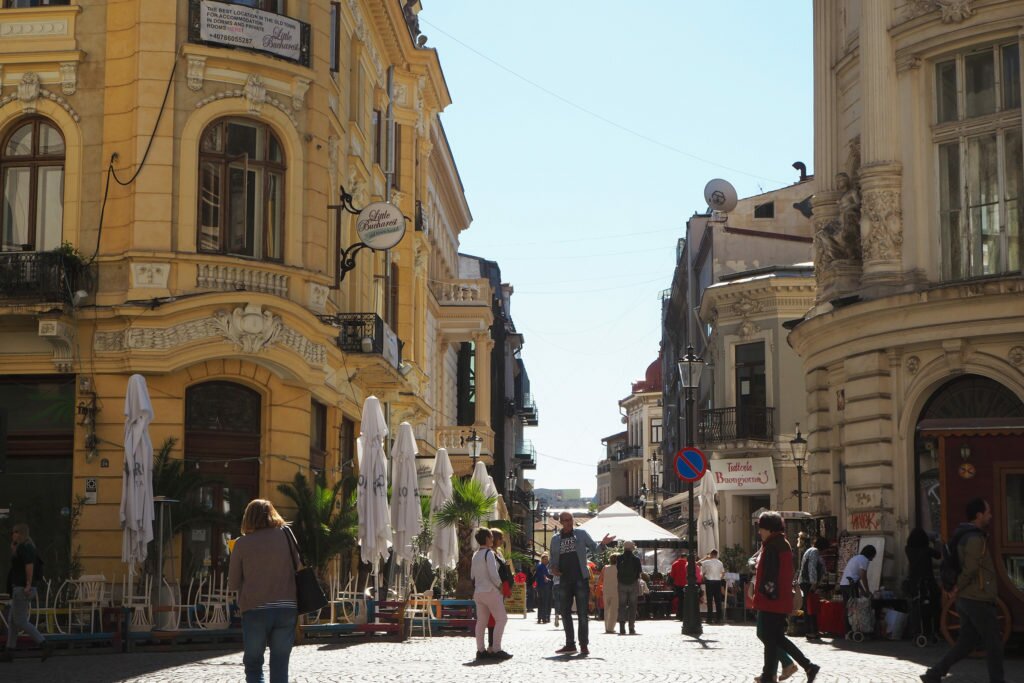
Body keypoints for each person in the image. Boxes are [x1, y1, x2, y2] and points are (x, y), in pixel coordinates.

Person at [921, 498, 1004, 683]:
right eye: (988, 512)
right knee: (994, 643)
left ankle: (934, 673)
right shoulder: (975, 538)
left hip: (967, 599)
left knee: (966, 643)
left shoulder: (963, 534)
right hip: (977, 597)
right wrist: (958, 586)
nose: (990, 516)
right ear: (979, 515)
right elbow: (971, 568)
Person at [227, 499, 300, 683]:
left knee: (253, 663)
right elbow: (299, 565)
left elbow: (233, 584)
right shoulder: (286, 536)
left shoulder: (242, 544)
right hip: (287, 607)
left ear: (248, 518)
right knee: (280, 664)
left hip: (255, 609)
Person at [753, 511, 820, 683]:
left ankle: (805, 666)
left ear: (768, 528)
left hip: (772, 600)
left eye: (761, 528)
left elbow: (771, 575)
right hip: (779, 600)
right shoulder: (781, 543)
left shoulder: (772, 546)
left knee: (772, 638)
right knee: (773, 638)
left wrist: (765, 594)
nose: (759, 531)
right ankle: (775, 673)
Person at [549, 511, 615, 656]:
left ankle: (583, 644)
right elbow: (552, 560)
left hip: (580, 579)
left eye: (570, 519)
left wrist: (603, 544)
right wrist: (552, 569)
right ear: (561, 522)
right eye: (565, 520)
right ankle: (570, 644)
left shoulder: (581, 533)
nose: (568, 522)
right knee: (565, 613)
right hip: (563, 580)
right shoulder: (555, 539)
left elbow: (595, 549)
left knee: (582, 614)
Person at [2, 523, 53, 663]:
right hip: (19, 588)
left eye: (15, 532)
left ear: (21, 533)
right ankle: (9, 651)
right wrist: (13, 549)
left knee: (20, 620)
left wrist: (28, 585)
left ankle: (44, 644)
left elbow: (29, 566)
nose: (13, 534)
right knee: (12, 621)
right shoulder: (23, 547)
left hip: (22, 588)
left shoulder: (26, 547)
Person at [470, 527, 512, 661]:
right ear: (487, 538)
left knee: (481, 622)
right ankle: (496, 648)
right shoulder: (489, 553)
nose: (493, 539)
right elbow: (493, 573)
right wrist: (500, 586)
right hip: (490, 591)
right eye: (491, 537)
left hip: (478, 592)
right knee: (502, 619)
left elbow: (472, 575)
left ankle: (480, 650)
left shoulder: (475, 554)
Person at [904, 528, 940, 643]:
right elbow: (938, 555)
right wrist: (936, 542)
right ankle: (932, 631)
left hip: (914, 582)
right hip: (928, 582)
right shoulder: (927, 550)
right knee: (933, 606)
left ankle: (917, 632)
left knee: (916, 608)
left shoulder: (908, 549)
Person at [797, 537, 830, 640]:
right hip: (808, 583)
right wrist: (814, 583)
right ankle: (811, 631)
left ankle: (813, 630)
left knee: (811, 607)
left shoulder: (812, 551)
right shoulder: (814, 551)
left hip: (808, 583)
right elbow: (812, 568)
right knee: (810, 608)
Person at [839, 543, 876, 632]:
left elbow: (856, 578)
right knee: (854, 608)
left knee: (848, 607)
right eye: (873, 556)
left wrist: (862, 590)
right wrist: (867, 591)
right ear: (870, 554)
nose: (873, 559)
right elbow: (863, 576)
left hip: (844, 584)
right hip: (850, 585)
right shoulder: (864, 560)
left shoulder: (856, 558)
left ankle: (847, 631)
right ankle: (855, 629)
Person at [487, 528, 513, 651]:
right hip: (494, 589)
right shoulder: (489, 554)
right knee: (495, 618)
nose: (502, 541)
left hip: (500, 589)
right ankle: (492, 645)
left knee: (497, 618)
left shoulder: (499, 553)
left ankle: (494, 644)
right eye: (500, 538)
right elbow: (492, 573)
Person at [616, 540, 641, 635]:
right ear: (632, 548)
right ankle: (631, 628)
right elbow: (639, 573)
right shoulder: (636, 559)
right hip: (633, 584)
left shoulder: (619, 558)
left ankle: (622, 628)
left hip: (622, 584)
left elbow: (617, 570)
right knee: (633, 606)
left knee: (621, 606)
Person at [670, 553, 702, 622]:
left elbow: (672, 575)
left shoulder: (674, 564)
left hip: (678, 584)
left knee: (680, 600)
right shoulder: (688, 564)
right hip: (686, 584)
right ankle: (686, 614)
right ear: (685, 557)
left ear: (680, 557)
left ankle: (679, 615)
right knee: (687, 600)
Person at [699, 549, 726, 625]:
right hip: (717, 582)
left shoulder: (707, 562)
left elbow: (697, 563)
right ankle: (718, 618)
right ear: (716, 555)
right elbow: (723, 573)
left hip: (709, 582)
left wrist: (705, 558)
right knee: (718, 601)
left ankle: (709, 619)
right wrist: (719, 578)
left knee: (710, 600)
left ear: (710, 554)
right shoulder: (720, 563)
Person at [601, 553, 619, 634]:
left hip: (606, 590)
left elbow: (601, 578)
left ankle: (606, 627)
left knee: (606, 609)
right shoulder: (619, 569)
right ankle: (611, 628)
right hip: (616, 591)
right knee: (613, 610)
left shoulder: (605, 568)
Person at [535, 554, 553, 624]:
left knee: (541, 603)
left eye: (547, 559)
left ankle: (540, 618)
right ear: (542, 559)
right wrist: (545, 578)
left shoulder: (544, 567)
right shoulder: (540, 566)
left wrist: (547, 578)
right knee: (544, 602)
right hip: (542, 587)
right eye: (545, 559)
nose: (546, 560)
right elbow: (541, 575)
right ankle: (543, 618)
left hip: (542, 586)